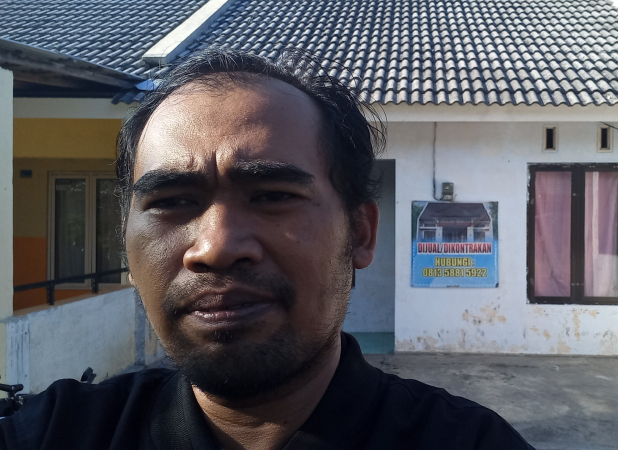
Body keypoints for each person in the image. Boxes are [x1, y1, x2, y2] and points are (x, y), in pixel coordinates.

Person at [0, 47, 534, 450]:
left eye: (273, 196)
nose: (215, 248)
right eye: (172, 201)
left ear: (360, 234)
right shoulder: (53, 432)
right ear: (126, 245)